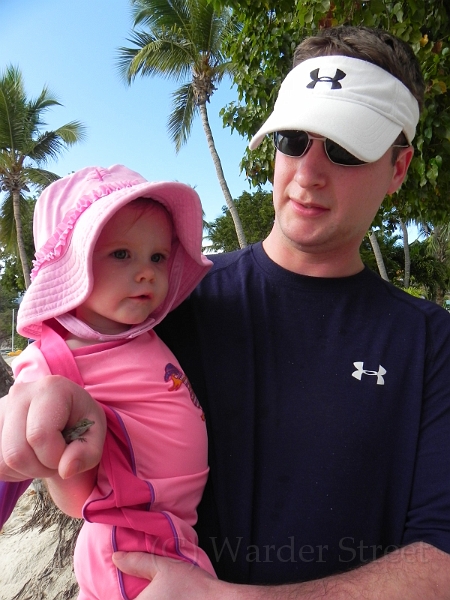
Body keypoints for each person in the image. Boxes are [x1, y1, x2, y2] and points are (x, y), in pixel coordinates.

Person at [1, 25, 450, 599]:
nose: (307, 172)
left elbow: (441, 555)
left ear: (399, 167)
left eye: (345, 149)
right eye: (292, 139)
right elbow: (61, 390)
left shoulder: (430, 342)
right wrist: (42, 405)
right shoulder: (162, 302)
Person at [4, 164, 215, 599]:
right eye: (121, 254)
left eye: (158, 257)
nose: (147, 272)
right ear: (73, 266)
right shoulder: (52, 361)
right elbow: (65, 489)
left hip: (172, 525)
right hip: (132, 537)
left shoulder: (139, 332)